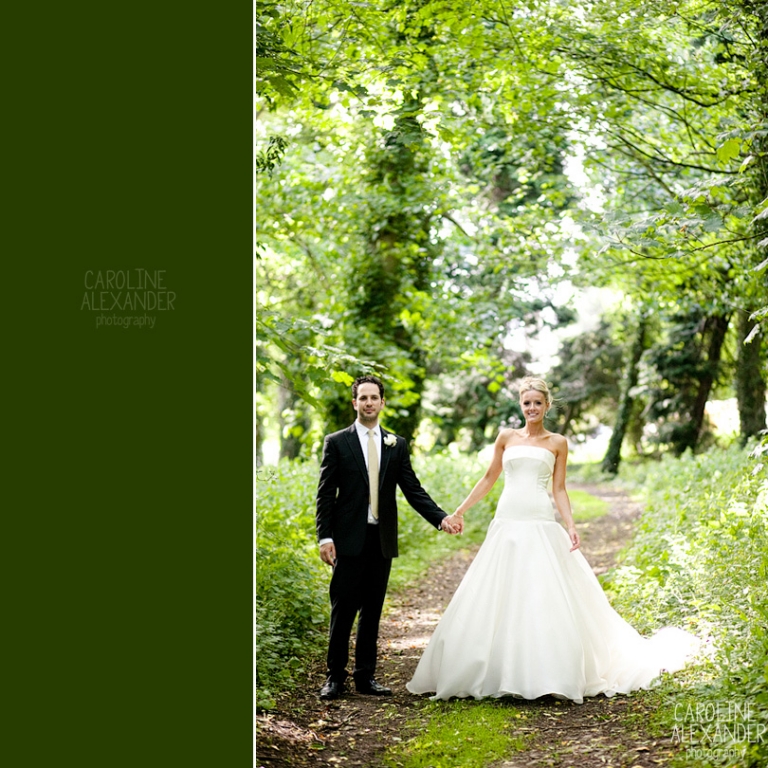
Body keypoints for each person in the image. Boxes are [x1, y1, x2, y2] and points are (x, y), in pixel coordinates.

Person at [407, 377, 698, 703]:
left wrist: (571, 525)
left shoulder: (557, 442)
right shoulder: (506, 438)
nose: (531, 408)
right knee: (499, 588)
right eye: (526, 403)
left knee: (541, 589)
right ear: (521, 405)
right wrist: (459, 510)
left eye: (537, 403)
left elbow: (559, 488)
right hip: (507, 518)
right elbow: (490, 477)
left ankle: (546, 671)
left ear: (547, 405)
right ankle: (495, 668)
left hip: (540, 518)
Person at [316, 375, 459, 701]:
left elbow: (413, 490)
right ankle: (334, 678)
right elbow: (325, 495)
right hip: (348, 539)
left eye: (373, 398)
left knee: (373, 611)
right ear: (355, 403)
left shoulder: (397, 444)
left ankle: (365, 677)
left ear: (382, 402)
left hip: (381, 539)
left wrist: (441, 518)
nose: (368, 403)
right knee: (343, 610)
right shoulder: (337, 442)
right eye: (362, 398)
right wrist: (325, 537)